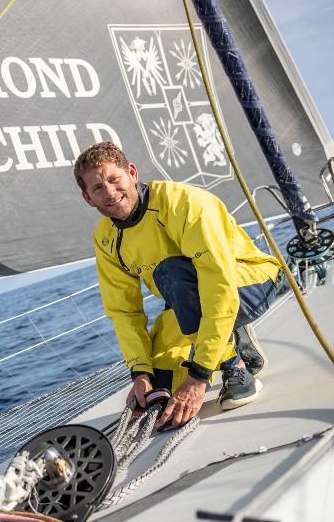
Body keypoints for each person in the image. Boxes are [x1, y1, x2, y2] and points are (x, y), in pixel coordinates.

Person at [74, 142, 280, 429]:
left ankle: (237, 366)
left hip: (249, 281)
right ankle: (231, 334)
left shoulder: (184, 204)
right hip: (186, 300)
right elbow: (123, 312)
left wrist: (198, 377)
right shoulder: (105, 237)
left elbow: (218, 285)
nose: (109, 192)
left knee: (171, 273)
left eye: (114, 179)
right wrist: (140, 374)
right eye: (97, 188)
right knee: (159, 393)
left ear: (131, 173)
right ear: (88, 198)